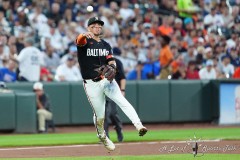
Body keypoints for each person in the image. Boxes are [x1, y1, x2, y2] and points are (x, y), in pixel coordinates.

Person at [75, 16, 147, 151]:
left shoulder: (106, 44)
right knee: (100, 116)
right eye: (94, 25)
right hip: (91, 84)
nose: (97, 26)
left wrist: (113, 67)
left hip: (106, 80)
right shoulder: (84, 42)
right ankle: (102, 136)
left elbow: (111, 60)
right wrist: (83, 34)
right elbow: (79, 40)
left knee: (122, 101)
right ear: (88, 27)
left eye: (99, 25)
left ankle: (139, 125)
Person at [104, 56, 125, 142]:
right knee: (103, 114)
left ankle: (118, 129)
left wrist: (123, 90)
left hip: (113, 91)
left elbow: (122, 77)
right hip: (102, 91)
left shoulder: (117, 62)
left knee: (112, 113)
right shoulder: (98, 61)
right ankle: (105, 137)